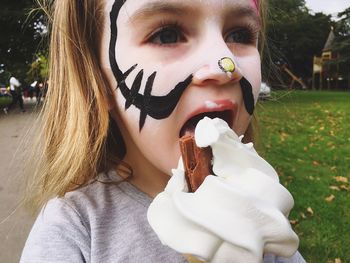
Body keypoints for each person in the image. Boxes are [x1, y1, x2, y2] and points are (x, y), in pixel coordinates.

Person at [21, 0, 305, 262]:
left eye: (240, 35)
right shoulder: (73, 229)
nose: (225, 64)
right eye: (167, 35)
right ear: (98, 80)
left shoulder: (261, 215)